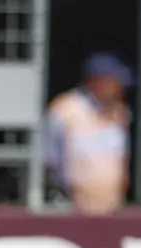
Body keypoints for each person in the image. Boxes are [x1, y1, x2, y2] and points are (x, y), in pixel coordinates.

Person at [43, 52, 134, 213]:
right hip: (71, 205)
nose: (120, 89)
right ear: (96, 81)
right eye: (115, 83)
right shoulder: (65, 109)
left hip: (112, 205)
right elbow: (49, 157)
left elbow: (122, 156)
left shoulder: (120, 111)